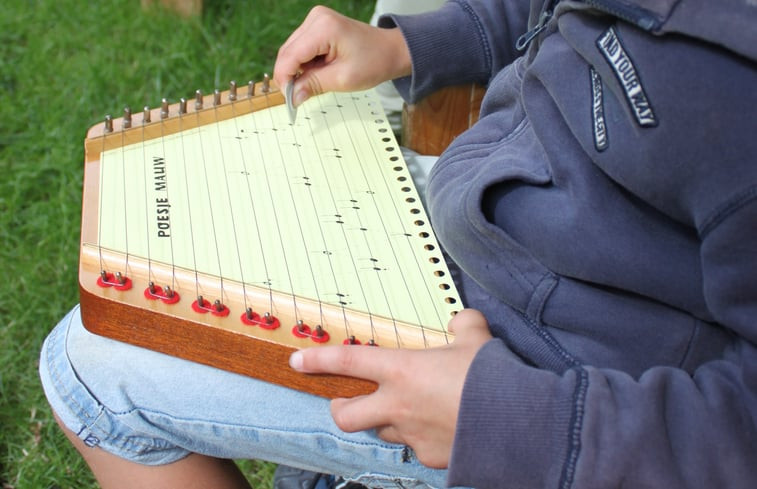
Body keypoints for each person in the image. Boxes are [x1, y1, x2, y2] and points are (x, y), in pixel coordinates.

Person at [40, 1, 757, 488]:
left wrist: (508, 417)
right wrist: (404, 44)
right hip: (470, 230)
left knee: (89, 368)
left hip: (541, 381)